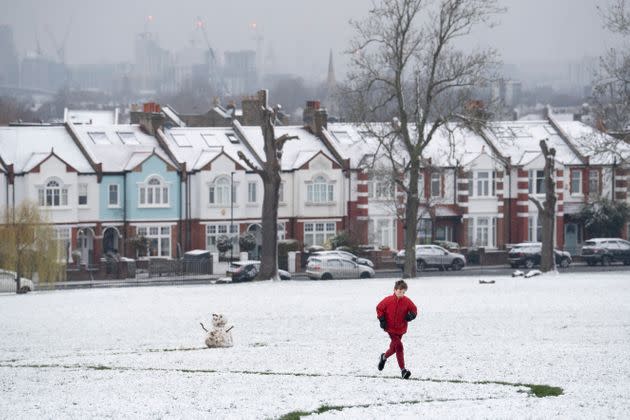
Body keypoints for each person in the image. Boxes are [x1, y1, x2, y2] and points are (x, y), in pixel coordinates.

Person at [376, 279, 418, 379]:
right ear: (395, 290)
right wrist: (382, 320)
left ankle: (384, 357)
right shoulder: (388, 300)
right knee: (399, 346)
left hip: (401, 328)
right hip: (390, 328)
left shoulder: (407, 301)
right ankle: (403, 370)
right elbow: (379, 308)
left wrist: (411, 316)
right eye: (399, 291)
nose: (401, 294)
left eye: (403, 292)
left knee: (393, 348)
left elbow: (414, 310)